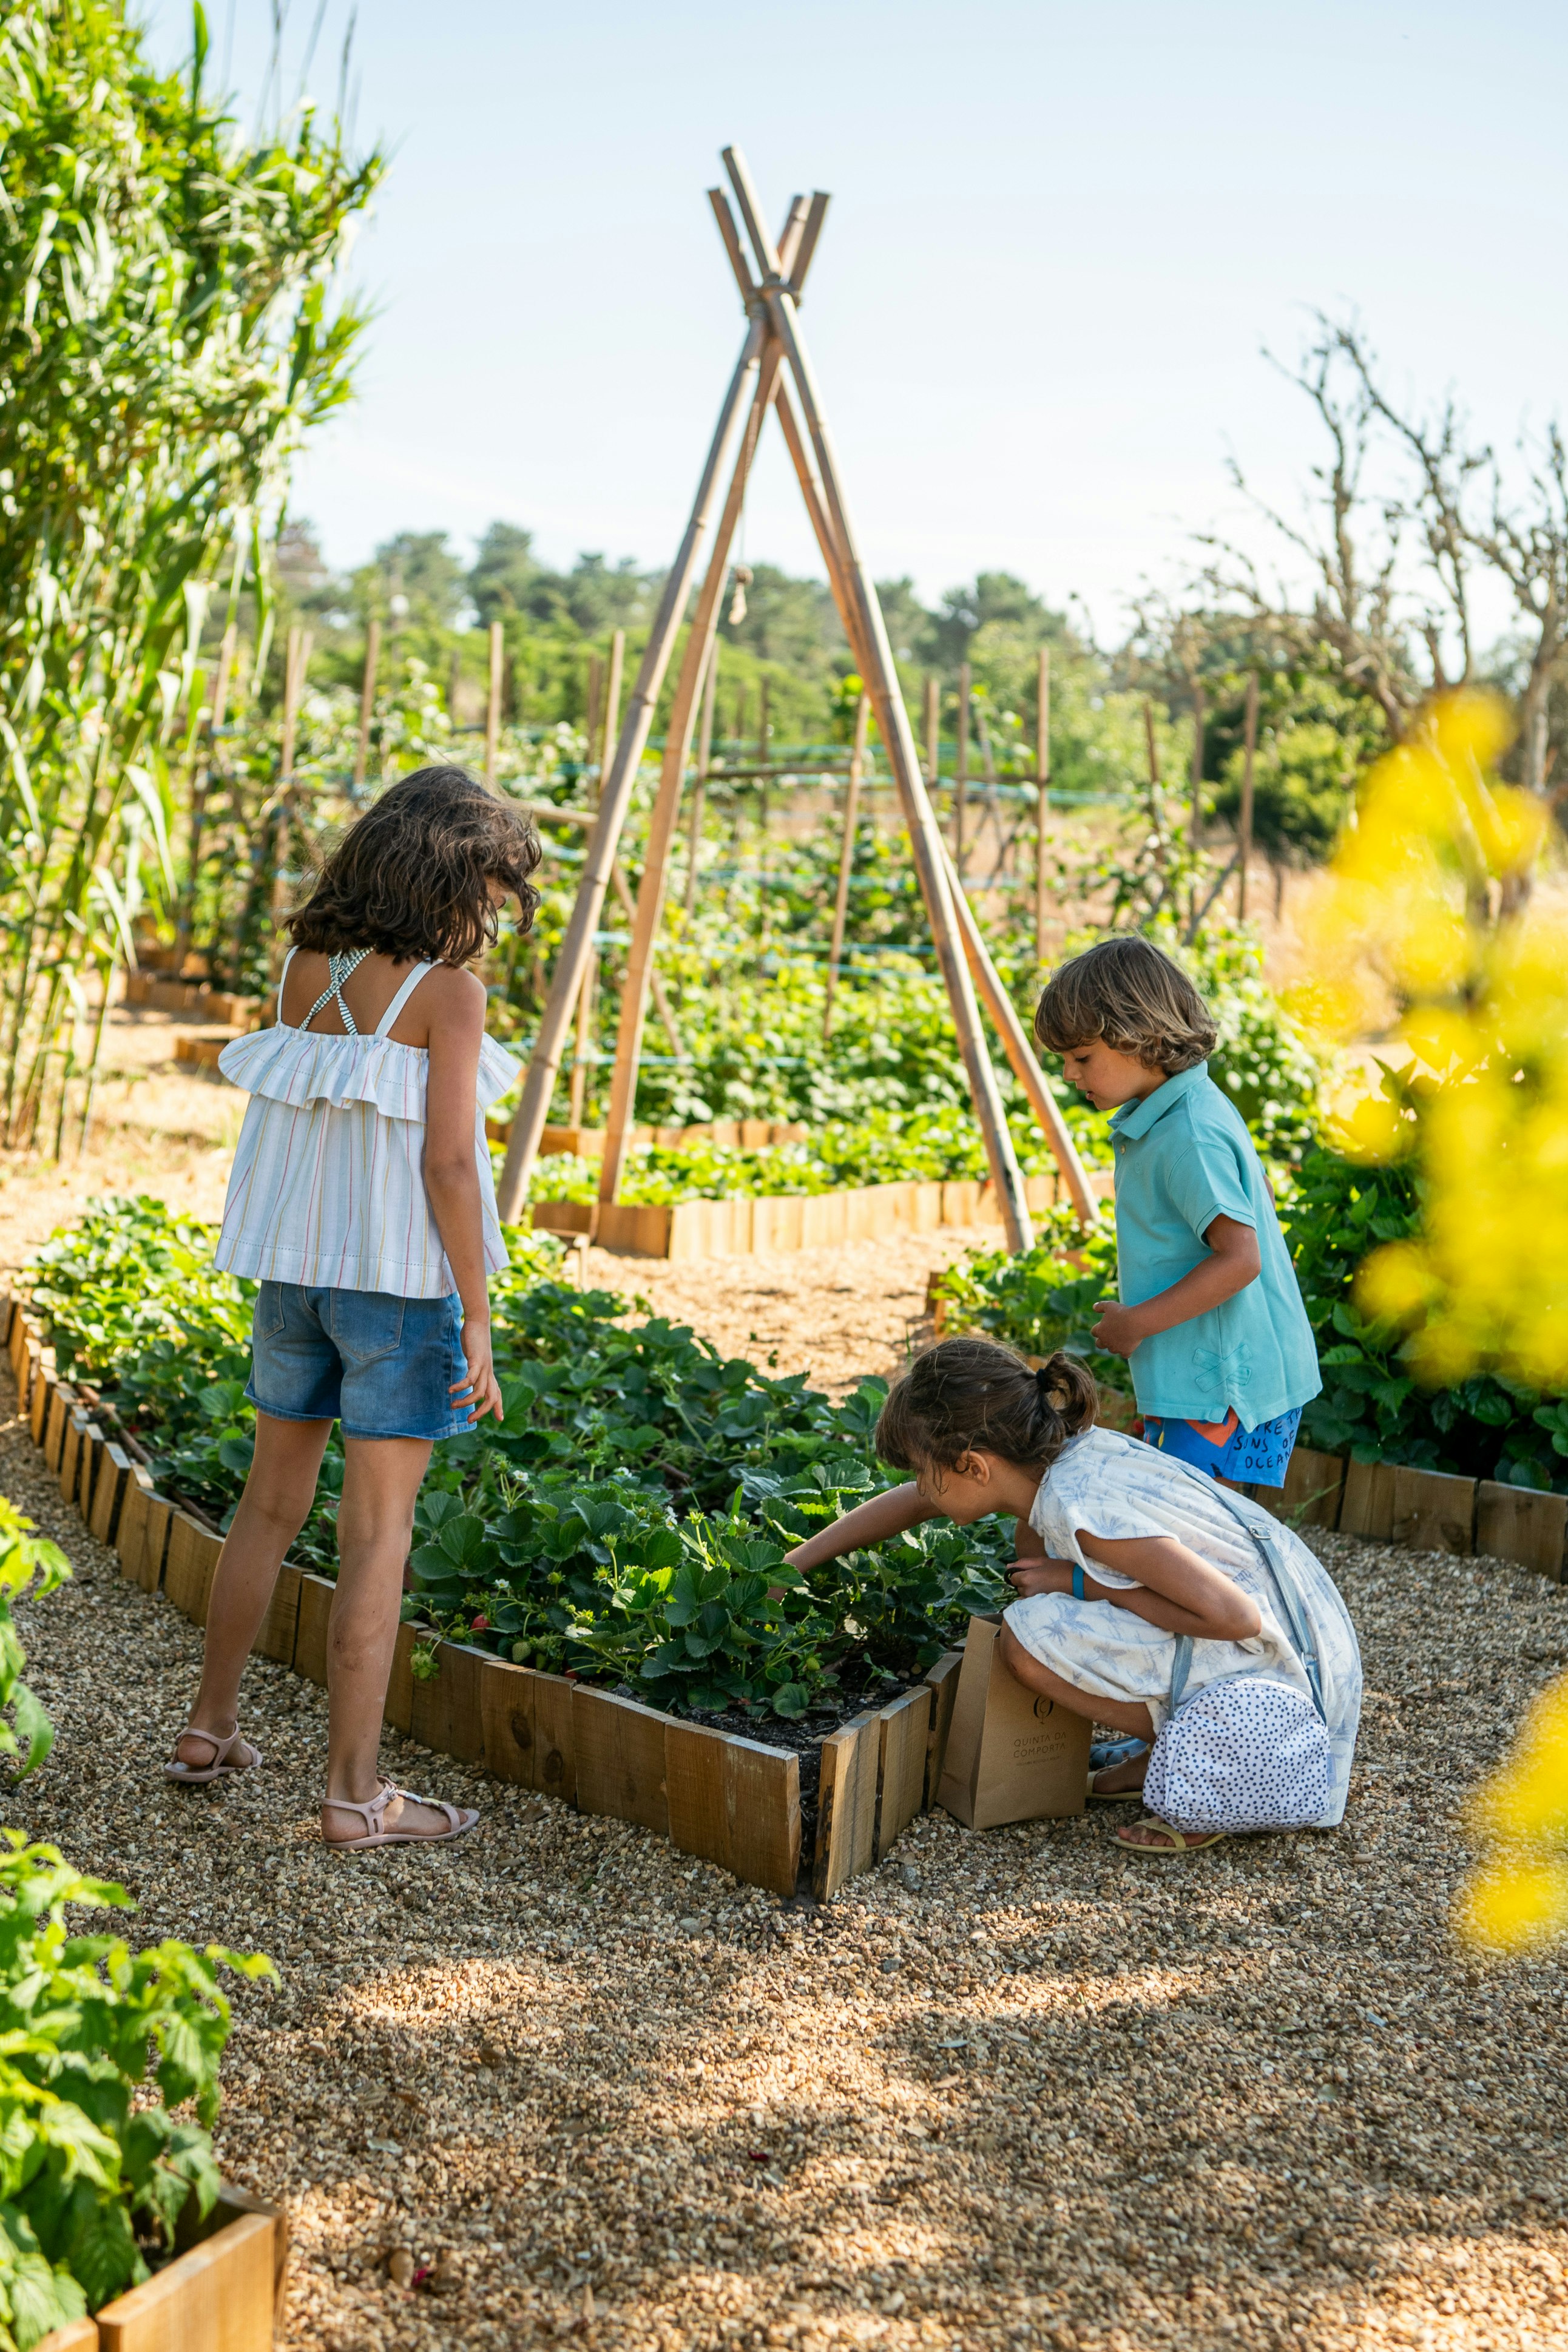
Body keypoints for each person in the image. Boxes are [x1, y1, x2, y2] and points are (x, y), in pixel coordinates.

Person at [165, 765, 539, 1851]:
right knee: (376, 1538)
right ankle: (355, 1796)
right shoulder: (447, 996)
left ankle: (208, 1727)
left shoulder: (301, 972)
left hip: (296, 1278)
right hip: (400, 1292)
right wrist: (476, 1313)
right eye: (487, 887)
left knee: (266, 1508)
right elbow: (449, 1168)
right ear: (449, 874)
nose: (488, 914)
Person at [784, 1339, 1361, 1855]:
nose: (917, 1485)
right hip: (1297, 1632)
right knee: (1043, 1584)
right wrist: (794, 1565)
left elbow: (1234, 1616)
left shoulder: (1080, 1512)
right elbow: (914, 1502)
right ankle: (1156, 1757)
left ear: (974, 1466)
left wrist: (1082, 1584)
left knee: (1030, 1640)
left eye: (920, 1469)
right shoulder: (1057, 1456)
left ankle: (1206, 1769)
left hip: (1284, 1696)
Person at [1033, 933, 1321, 1493]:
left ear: (1139, 1036)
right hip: (1207, 1376)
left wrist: (1137, 1324)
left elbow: (1240, 1259)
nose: (1070, 1075)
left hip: (1221, 1392)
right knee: (1195, 1524)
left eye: (1082, 1058)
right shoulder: (1182, 1113)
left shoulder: (1188, 1133)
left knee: (1191, 1531)